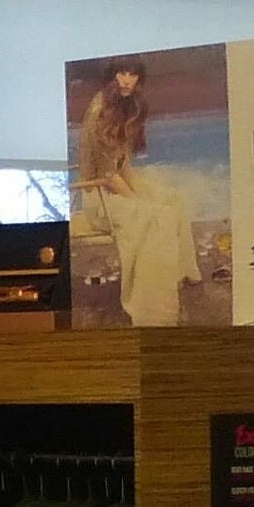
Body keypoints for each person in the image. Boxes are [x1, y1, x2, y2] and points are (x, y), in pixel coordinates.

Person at [73, 61, 193, 325]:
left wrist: (141, 191)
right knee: (153, 216)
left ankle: (176, 273)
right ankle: (152, 306)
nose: (127, 80)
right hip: (99, 196)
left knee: (174, 200)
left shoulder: (129, 104)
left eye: (133, 74)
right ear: (112, 77)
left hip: (116, 184)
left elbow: (122, 162)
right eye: (121, 73)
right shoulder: (101, 109)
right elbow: (107, 176)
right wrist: (138, 199)